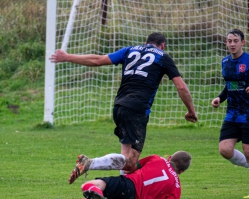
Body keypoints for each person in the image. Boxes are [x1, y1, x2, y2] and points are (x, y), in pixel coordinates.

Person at [49, 32, 198, 183]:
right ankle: (90, 163)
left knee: (126, 161)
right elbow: (181, 87)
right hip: (137, 109)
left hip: (119, 106)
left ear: (145, 42)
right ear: (163, 46)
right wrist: (191, 111)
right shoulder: (162, 56)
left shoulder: (129, 50)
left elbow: (97, 60)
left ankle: (123, 195)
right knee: (131, 162)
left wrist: (67, 57)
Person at [34, 151, 191, 199]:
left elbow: (131, 167)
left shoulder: (157, 159)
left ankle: (95, 192)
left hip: (130, 184)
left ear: (170, 157)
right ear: (182, 172)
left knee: (91, 185)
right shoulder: (176, 186)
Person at [211, 29, 249, 198]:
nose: (232, 44)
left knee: (248, 151)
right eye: (229, 41)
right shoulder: (225, 62)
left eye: (235, 41)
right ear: (226, 43)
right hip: (232, 114)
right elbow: (230, 85)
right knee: (225, 149)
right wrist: (219, 98)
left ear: (243, 43)